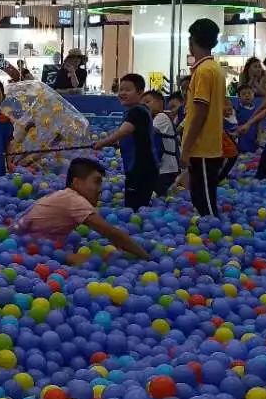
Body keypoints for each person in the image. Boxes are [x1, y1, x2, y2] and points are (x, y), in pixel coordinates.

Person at [16, 158, 150, 260]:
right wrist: (145, 256)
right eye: (96, 182)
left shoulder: (65, 195)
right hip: (27, 248)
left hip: (25, 242)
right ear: (77, 183)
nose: (100, 189)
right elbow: (111, 232)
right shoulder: (75, 200)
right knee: (88, 261)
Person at [180, 17, 226, 218]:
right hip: (207, 145)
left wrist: (186, 147)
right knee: (200, 196)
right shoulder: (213, 68)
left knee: (205, 201)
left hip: (203, 147)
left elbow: (200, 112)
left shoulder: (204, 71)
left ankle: (213, 236)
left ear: (192, 41)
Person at [95, 73, 162, 212]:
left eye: (127, 90)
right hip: (142, 167)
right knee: (136, 202)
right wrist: (117, 143)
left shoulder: (137, 111)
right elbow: (135, 136)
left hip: (142, 168)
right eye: (121, 89)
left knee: (134, 205)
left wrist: (103, 142)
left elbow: (124, 131)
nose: (122, 93)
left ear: (140, 93)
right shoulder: (138, 111)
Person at [220, 82, 260, 180]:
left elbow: (258, 124)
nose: (247, 96)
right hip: (241, 138)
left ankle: (247, 172)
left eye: (249, 93)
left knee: (250, 157)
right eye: (244, 94)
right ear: (238, 97)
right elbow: (231, 123)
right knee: (238, 155)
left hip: (252, 137)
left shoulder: (257, 110)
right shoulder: (237, 110)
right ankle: (235, 172)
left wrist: (259, 136)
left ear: (253, 95)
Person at [145, 89, 180, 196]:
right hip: (164, 168)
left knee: (160, 196)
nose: (144, 106)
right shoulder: (156, 118)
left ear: (160, 102)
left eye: (147, 102)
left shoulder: (161, 117)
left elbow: (146, 134)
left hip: (167, 168)